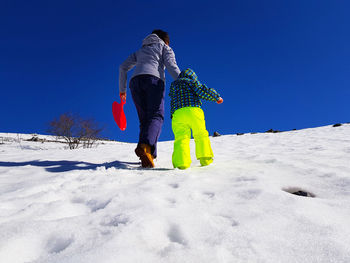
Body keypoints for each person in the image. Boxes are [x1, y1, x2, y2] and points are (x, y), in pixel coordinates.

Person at [119, 30, 181, 168]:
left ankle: (149, 154)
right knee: (156, 116)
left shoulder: (141, 50)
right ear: (165, 40)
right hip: (154, 81)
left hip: (135, 83)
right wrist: (183, 81)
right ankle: (146, 147)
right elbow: (171, 65)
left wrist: (122, 90)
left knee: (145, 120)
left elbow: (122, 67)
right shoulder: (165, 47)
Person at [169, 68, 223, 169]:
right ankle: (205, 158)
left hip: (177, 114)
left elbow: (172, 101)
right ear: (193, 77)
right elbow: (202, 90)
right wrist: (216, 97)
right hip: (193, 111)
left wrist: (172, 114)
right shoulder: (192, 82)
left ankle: (181, 163)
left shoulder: (174, 87)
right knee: (200, 134)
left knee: (181, 138)